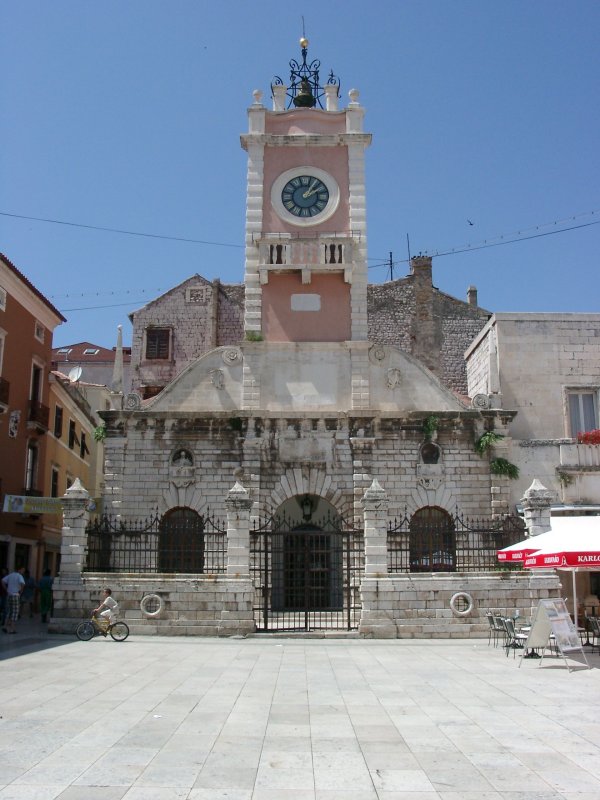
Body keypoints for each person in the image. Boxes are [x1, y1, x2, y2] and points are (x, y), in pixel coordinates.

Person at [2, 567, 25, 634]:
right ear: (19, 570)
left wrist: (6, 589)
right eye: (22, 570)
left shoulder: (10, 575)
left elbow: (2, 581)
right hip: (15, 595)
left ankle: (5, 627)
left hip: (9, 595)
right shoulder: (19, 576)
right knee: (15, 612)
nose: (23, 571)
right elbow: (23, 584)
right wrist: (21, 591)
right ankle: (12, 629)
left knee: (9, 611)